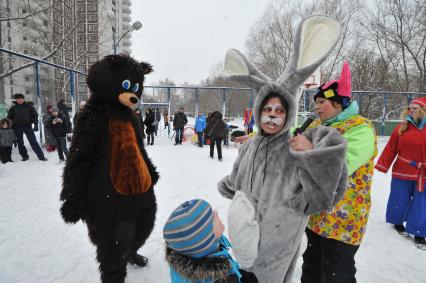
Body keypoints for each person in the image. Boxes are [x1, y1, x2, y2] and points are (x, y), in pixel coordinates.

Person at [217, 15, 345, 281]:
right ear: (258, 111)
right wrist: (229, 186)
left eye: (279, 110)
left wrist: (310, 154)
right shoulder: (251, 145)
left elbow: (324, 195)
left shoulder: (295, 147)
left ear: (289, 114)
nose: (272, 115)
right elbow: (237, 179)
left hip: (276, 245)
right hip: (244, 241)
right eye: (267, 109)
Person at [302, 62, 377, 283]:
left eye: (322, 101)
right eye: (316, 102)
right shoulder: (316, 123)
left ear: (339, 103)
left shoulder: (360, 128)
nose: (317, 106)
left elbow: (341, 165)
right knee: (312, 267)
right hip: (315, 214)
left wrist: (309, 150)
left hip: (343, 218)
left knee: (337, 273)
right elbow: (291, 142)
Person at [163, 199, 258, 283]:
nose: (216, 213)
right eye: (212, 217)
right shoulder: (223, 279)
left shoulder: (187, 253)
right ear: (205, 239)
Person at [375, 97, 426, 249]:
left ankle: (419, 232)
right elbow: (391, 148)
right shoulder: (401, 128)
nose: (411, 110)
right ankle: (397, 222)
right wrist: (382, 165)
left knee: (421, 204)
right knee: (399, 198)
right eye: (410, 107)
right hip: (402, 170)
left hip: (423, 174)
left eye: (415, 108)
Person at [7, 93, 47, 161]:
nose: (19, 100)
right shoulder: (13, 108)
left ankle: (41, 156)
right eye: (17, 99)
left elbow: (35, 116)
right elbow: (9, 118)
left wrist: (36, 125)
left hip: (27, 126)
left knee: (33, 141)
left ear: (23, 99)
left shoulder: (29, 106)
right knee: (20, 143)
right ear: (16, 100)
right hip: (17, 127)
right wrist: (10, 127)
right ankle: (25, 156)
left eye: (20, 99)